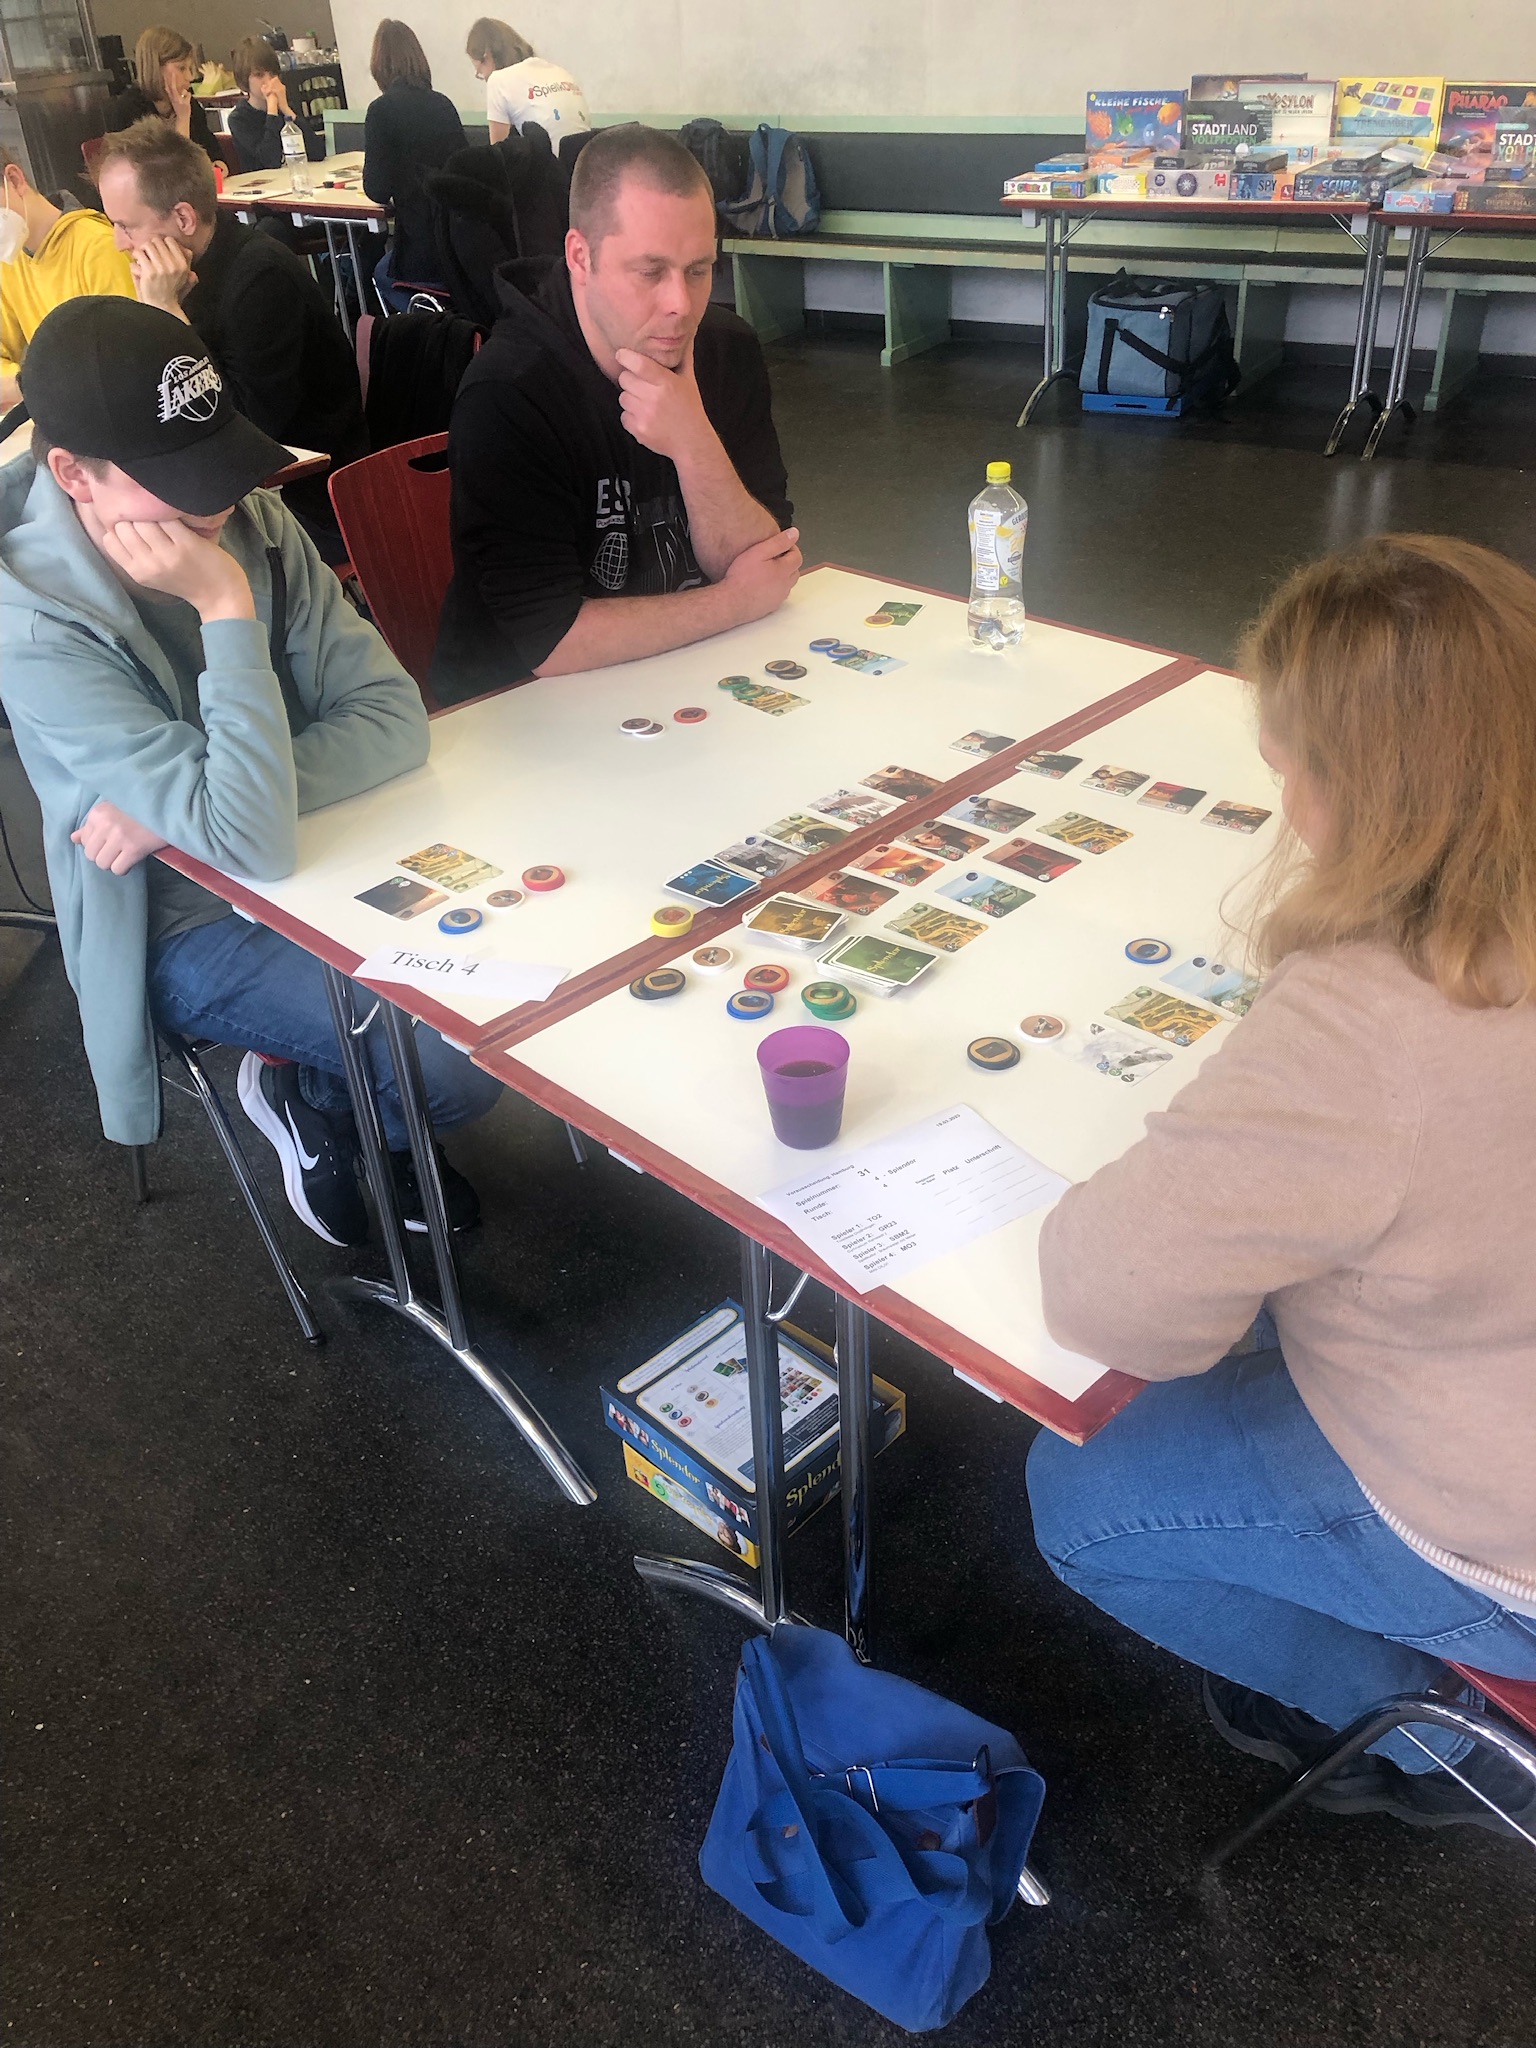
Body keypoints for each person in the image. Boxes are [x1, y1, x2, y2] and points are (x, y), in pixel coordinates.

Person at [1025, 533, 1536, 1835]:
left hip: (1504, 1534)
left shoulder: (1379, 1015)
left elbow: (1108, 1302)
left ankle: (1426, 1734)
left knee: (1078, 1497)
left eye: (1289, 761)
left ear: (1358, 789)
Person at [0, 296, 501, 1243]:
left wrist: (186, 805)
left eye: (216, 460)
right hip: (175, 919)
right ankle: (338, 1104)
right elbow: (248, 842)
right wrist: (225, 610)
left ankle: (321, 1089)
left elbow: (394, 722)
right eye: (174, 478)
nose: (217, 504)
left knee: (503, 1009)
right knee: (455, 1067)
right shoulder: (30, 619)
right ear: (73, 476)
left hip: (328, 848)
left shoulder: (250, 518)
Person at [431, 124, 798, 705]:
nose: (681, 304)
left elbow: (766, 560)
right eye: (650, 272)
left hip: (685, 676)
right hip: (519, 710)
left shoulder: (728, 351)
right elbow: (551, 642)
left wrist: (694, 441)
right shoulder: (509, 392)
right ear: (581, 256)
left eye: (699, 269)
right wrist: (733, 601)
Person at [96, 119, 366, 563]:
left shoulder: (260, 279)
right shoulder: (187, 274)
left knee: (138, 549)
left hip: (309, 497)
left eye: (127, 226)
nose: (118, 243)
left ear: (183, 218)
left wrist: (167, 315)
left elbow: (241, 425)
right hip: (246, 484)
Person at [0, 146, 135, 411]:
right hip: (55, 413)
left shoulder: (100, 248)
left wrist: (26, 385)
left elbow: (124, 368)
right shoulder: (10, 257)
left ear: (14, 180)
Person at [362, 20, 466, 310]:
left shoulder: (380, 111)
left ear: (379, 66)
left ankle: (427, 323)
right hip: (461, 246)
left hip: (423, 253)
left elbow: (376, 189)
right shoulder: (443, 104)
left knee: (380, 272)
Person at [103, 25, 225, 166]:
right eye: (182, 68)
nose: (190, 77)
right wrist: (183, 118)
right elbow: (172, 170)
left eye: (190, 68)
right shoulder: (129, 109)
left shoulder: (189, 103)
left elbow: (215, 154)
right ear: (157, 68)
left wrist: (218, 166)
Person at [465, 18, 590, 147]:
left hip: (550, 158)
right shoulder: (561, 72)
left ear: (486, 56)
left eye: (480, 72)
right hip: (585, 156)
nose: (484, 78)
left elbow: (498, 151)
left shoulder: (498, 80)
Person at [227, 37, 322, 173]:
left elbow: (318, 152)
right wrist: (272, 110)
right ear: (244, 80)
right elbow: (270, 159)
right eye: (259, 75)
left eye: (272, 74)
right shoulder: (239, 118)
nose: (268, 81)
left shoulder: (286, 108)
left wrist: (286, 109)